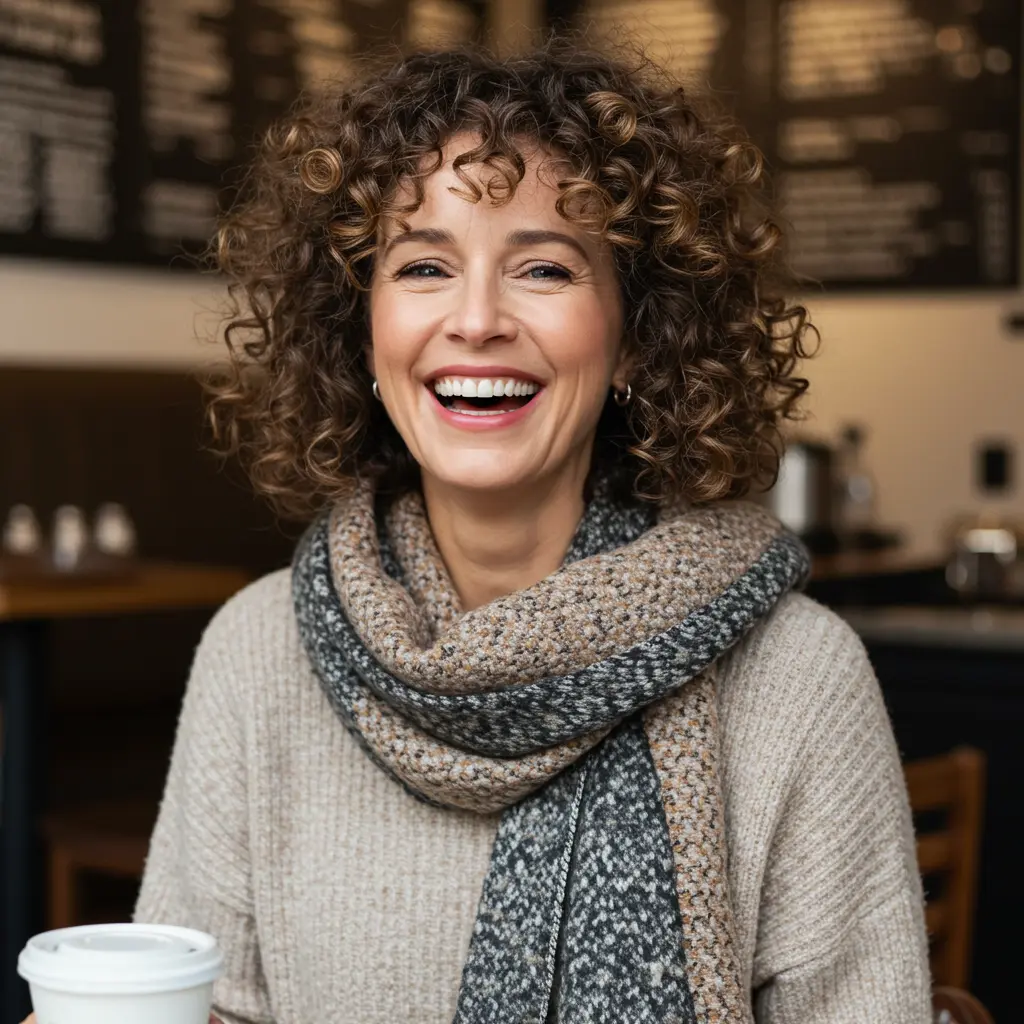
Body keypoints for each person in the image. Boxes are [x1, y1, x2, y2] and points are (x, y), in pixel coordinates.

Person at [25, 39, 931, 1024]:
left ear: (634, 337)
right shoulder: (258, 651)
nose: (477, 319)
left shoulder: (797, 679)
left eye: (542, 266)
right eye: (423, 265)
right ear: (362, 334)